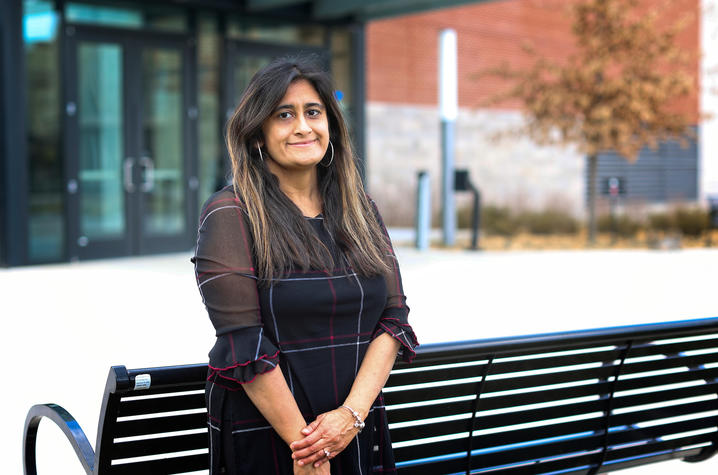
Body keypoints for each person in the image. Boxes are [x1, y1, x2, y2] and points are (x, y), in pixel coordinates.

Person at [192, 56, 418, 474]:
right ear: (258, 133)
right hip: (271, 433)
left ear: (330, 124)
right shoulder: (231, 213)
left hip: (353, 429)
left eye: (312, 112)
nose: (302, 126)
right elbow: (244, 343)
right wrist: (310, 452)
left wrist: (348, 419)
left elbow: (393, 320)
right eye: (284, 115)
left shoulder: (359, 210)